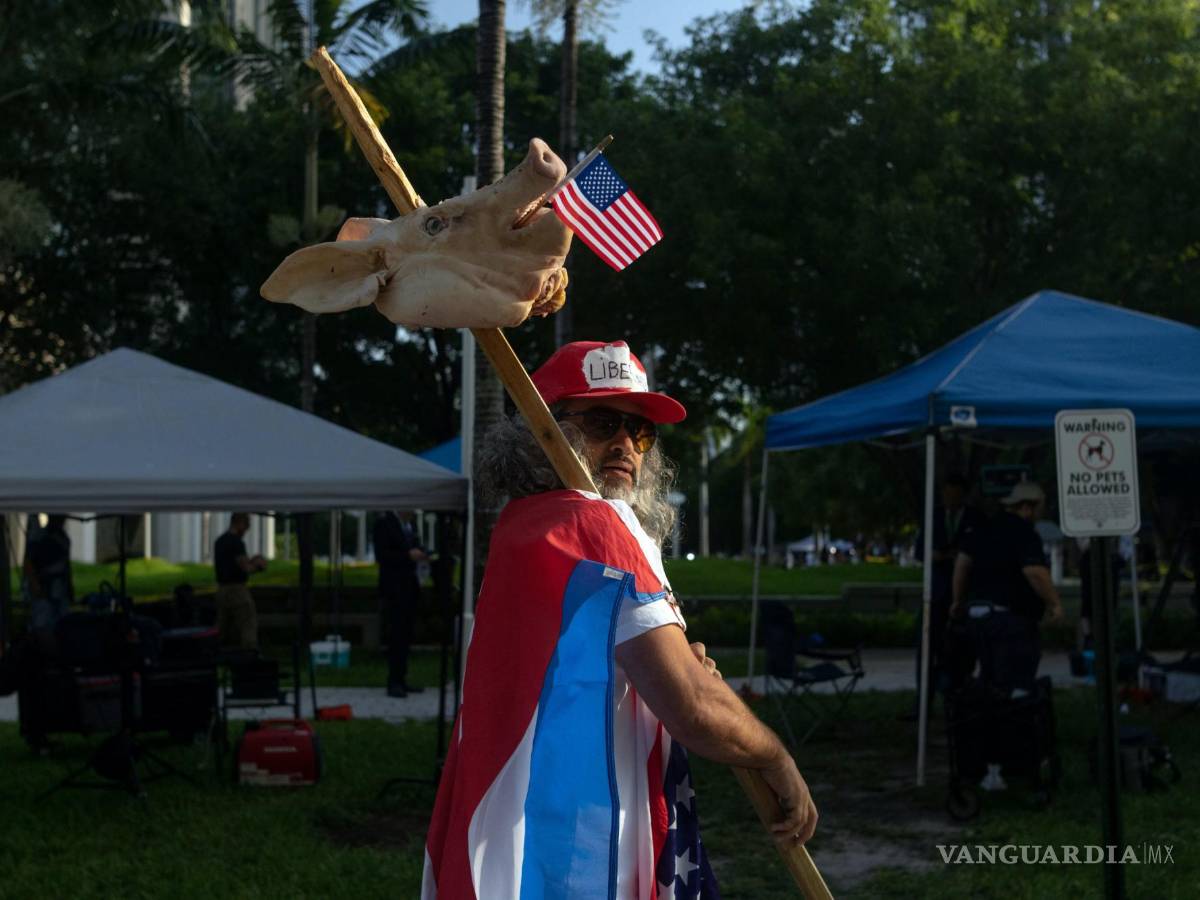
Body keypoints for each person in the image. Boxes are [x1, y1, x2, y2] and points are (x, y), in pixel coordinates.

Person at [423, 340, 816, 898]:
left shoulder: (525, 525)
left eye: (641, 431)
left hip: (515, 834)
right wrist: (776, 757)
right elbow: (694, 707)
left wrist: (669, 659)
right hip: (575, 852)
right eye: (604, 421)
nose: (626, 444)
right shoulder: (598, 524)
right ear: (545, 430)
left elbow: (608, 670)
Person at [950, 480, 1064, 790]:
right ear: (1027, 507)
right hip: (1009, 621)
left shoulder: (982, 529)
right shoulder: (1024, 533)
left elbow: (962, 565)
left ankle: (983, 762)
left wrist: (959, 603)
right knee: (1014, 693)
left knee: (987, 688)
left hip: (978, 616)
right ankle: (1007, 763)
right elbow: (1035, 572)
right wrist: (1054, 604)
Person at [905, 474, 984, 717]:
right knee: (927, 650)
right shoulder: (934, 517)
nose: (951, 498)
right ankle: (924, 703)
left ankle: (958, 699)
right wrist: (935, 556)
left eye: (956, 492)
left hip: (965, 594)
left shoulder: (975, 519)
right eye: (948, 492)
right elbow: (919, 551)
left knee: (960, 652)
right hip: (936, 593)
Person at [373, 510, 428, 697]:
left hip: (409, 587)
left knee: (405, 635)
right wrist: (407, 555)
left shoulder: (410, 526)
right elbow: (382, 556)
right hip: (394, 589)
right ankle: (394, 681)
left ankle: (401, 678)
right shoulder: (385, 523)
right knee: (396, 635)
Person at [213, 512, 266, 650]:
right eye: (246, 525)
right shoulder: (236, 542)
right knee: (247, 623)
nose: (247, 529)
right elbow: (245, 567)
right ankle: (250, 655)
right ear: (239, 523)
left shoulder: (219, 541)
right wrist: (259, 565)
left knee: (224, 626)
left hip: (221, 589)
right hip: (237, 590)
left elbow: (230, 563)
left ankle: (220, 653)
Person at [24, 515, 74, 634]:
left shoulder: (63, 538)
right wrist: (35, 585)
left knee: (61, 624)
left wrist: (70, 586)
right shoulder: (40, 536)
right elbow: (29, 564)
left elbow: (66, 565)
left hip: (59, 589)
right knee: (42, 625)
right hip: (44, 588)